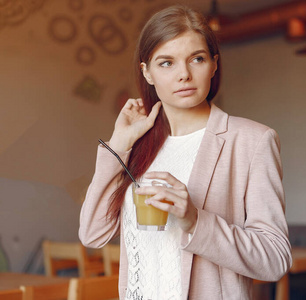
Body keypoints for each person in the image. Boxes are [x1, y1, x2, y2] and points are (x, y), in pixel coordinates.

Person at [79, 5, 292, 300]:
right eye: (166, 63)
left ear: (214, 64)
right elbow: (93, 233)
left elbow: (274, 259)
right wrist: (118, 145)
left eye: (197, 59)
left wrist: (195, 221)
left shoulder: (252, 141)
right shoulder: (138, 146)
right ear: (147, 72)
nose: (184, 75)